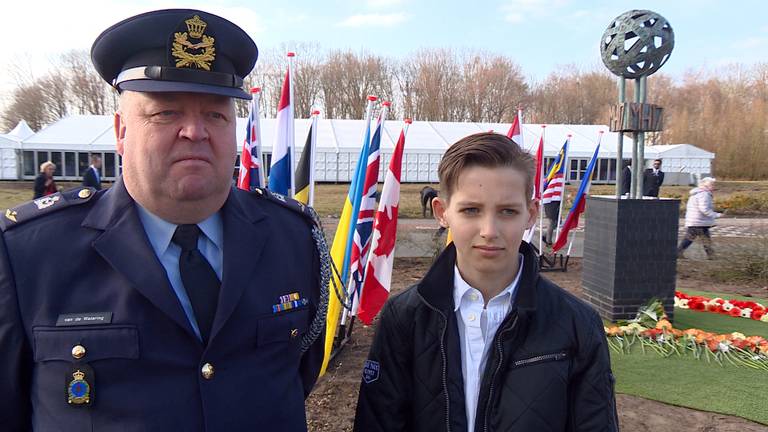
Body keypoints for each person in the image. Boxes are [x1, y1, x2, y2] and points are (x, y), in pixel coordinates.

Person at [0, 9, 327, 431]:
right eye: (165, 113)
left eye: (216, 115)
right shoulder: (29, 252)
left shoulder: (294, 238)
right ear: (120, 131)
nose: (195, 131)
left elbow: (296, 376)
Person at [354, 132, 618, 431]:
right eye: (471, 210)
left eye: (507, 211)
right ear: (443, 213)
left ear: (530, 215)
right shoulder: (403, 319)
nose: (489, 230)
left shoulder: (577, 324)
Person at [678, 177, 722, 259]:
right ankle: (711, 255)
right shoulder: (704, 195)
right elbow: (704, 209)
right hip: (699, 221)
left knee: (692, 238)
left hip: (696, 220)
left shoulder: (698, 193)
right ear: (706, 186)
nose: (714, 187)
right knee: (703, 238)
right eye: (712, 185)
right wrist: (717, 215)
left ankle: (679, 252)